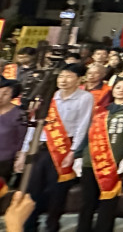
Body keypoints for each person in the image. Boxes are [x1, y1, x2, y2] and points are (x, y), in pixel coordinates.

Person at [17, 63, 93, 232]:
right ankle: (30, 225)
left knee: (57, 192)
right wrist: (23, 152)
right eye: (61, 76)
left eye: (68, 76)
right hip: (40, 149)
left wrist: (73, 152)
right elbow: (33, 125)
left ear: (79, 79)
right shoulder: (48, 95)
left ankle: (52, 225)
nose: (63, 80)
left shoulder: (85, 97)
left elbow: (83, 126)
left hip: (62, 150)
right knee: (32, 190)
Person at [74, 77, 123, 232]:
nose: (121, 90)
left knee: (108, 200)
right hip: (90, 158)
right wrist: (78, 155)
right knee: (87, 201)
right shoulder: (102, 110)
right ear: (112, 90)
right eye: (118, 87)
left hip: (114, 160)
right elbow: (89, 134)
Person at [0, 79, 26, 183]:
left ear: (13, 96)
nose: (0, 97)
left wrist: (19, 158)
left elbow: (22, 140)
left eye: (5, 93)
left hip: (5, 161)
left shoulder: (19, 115)